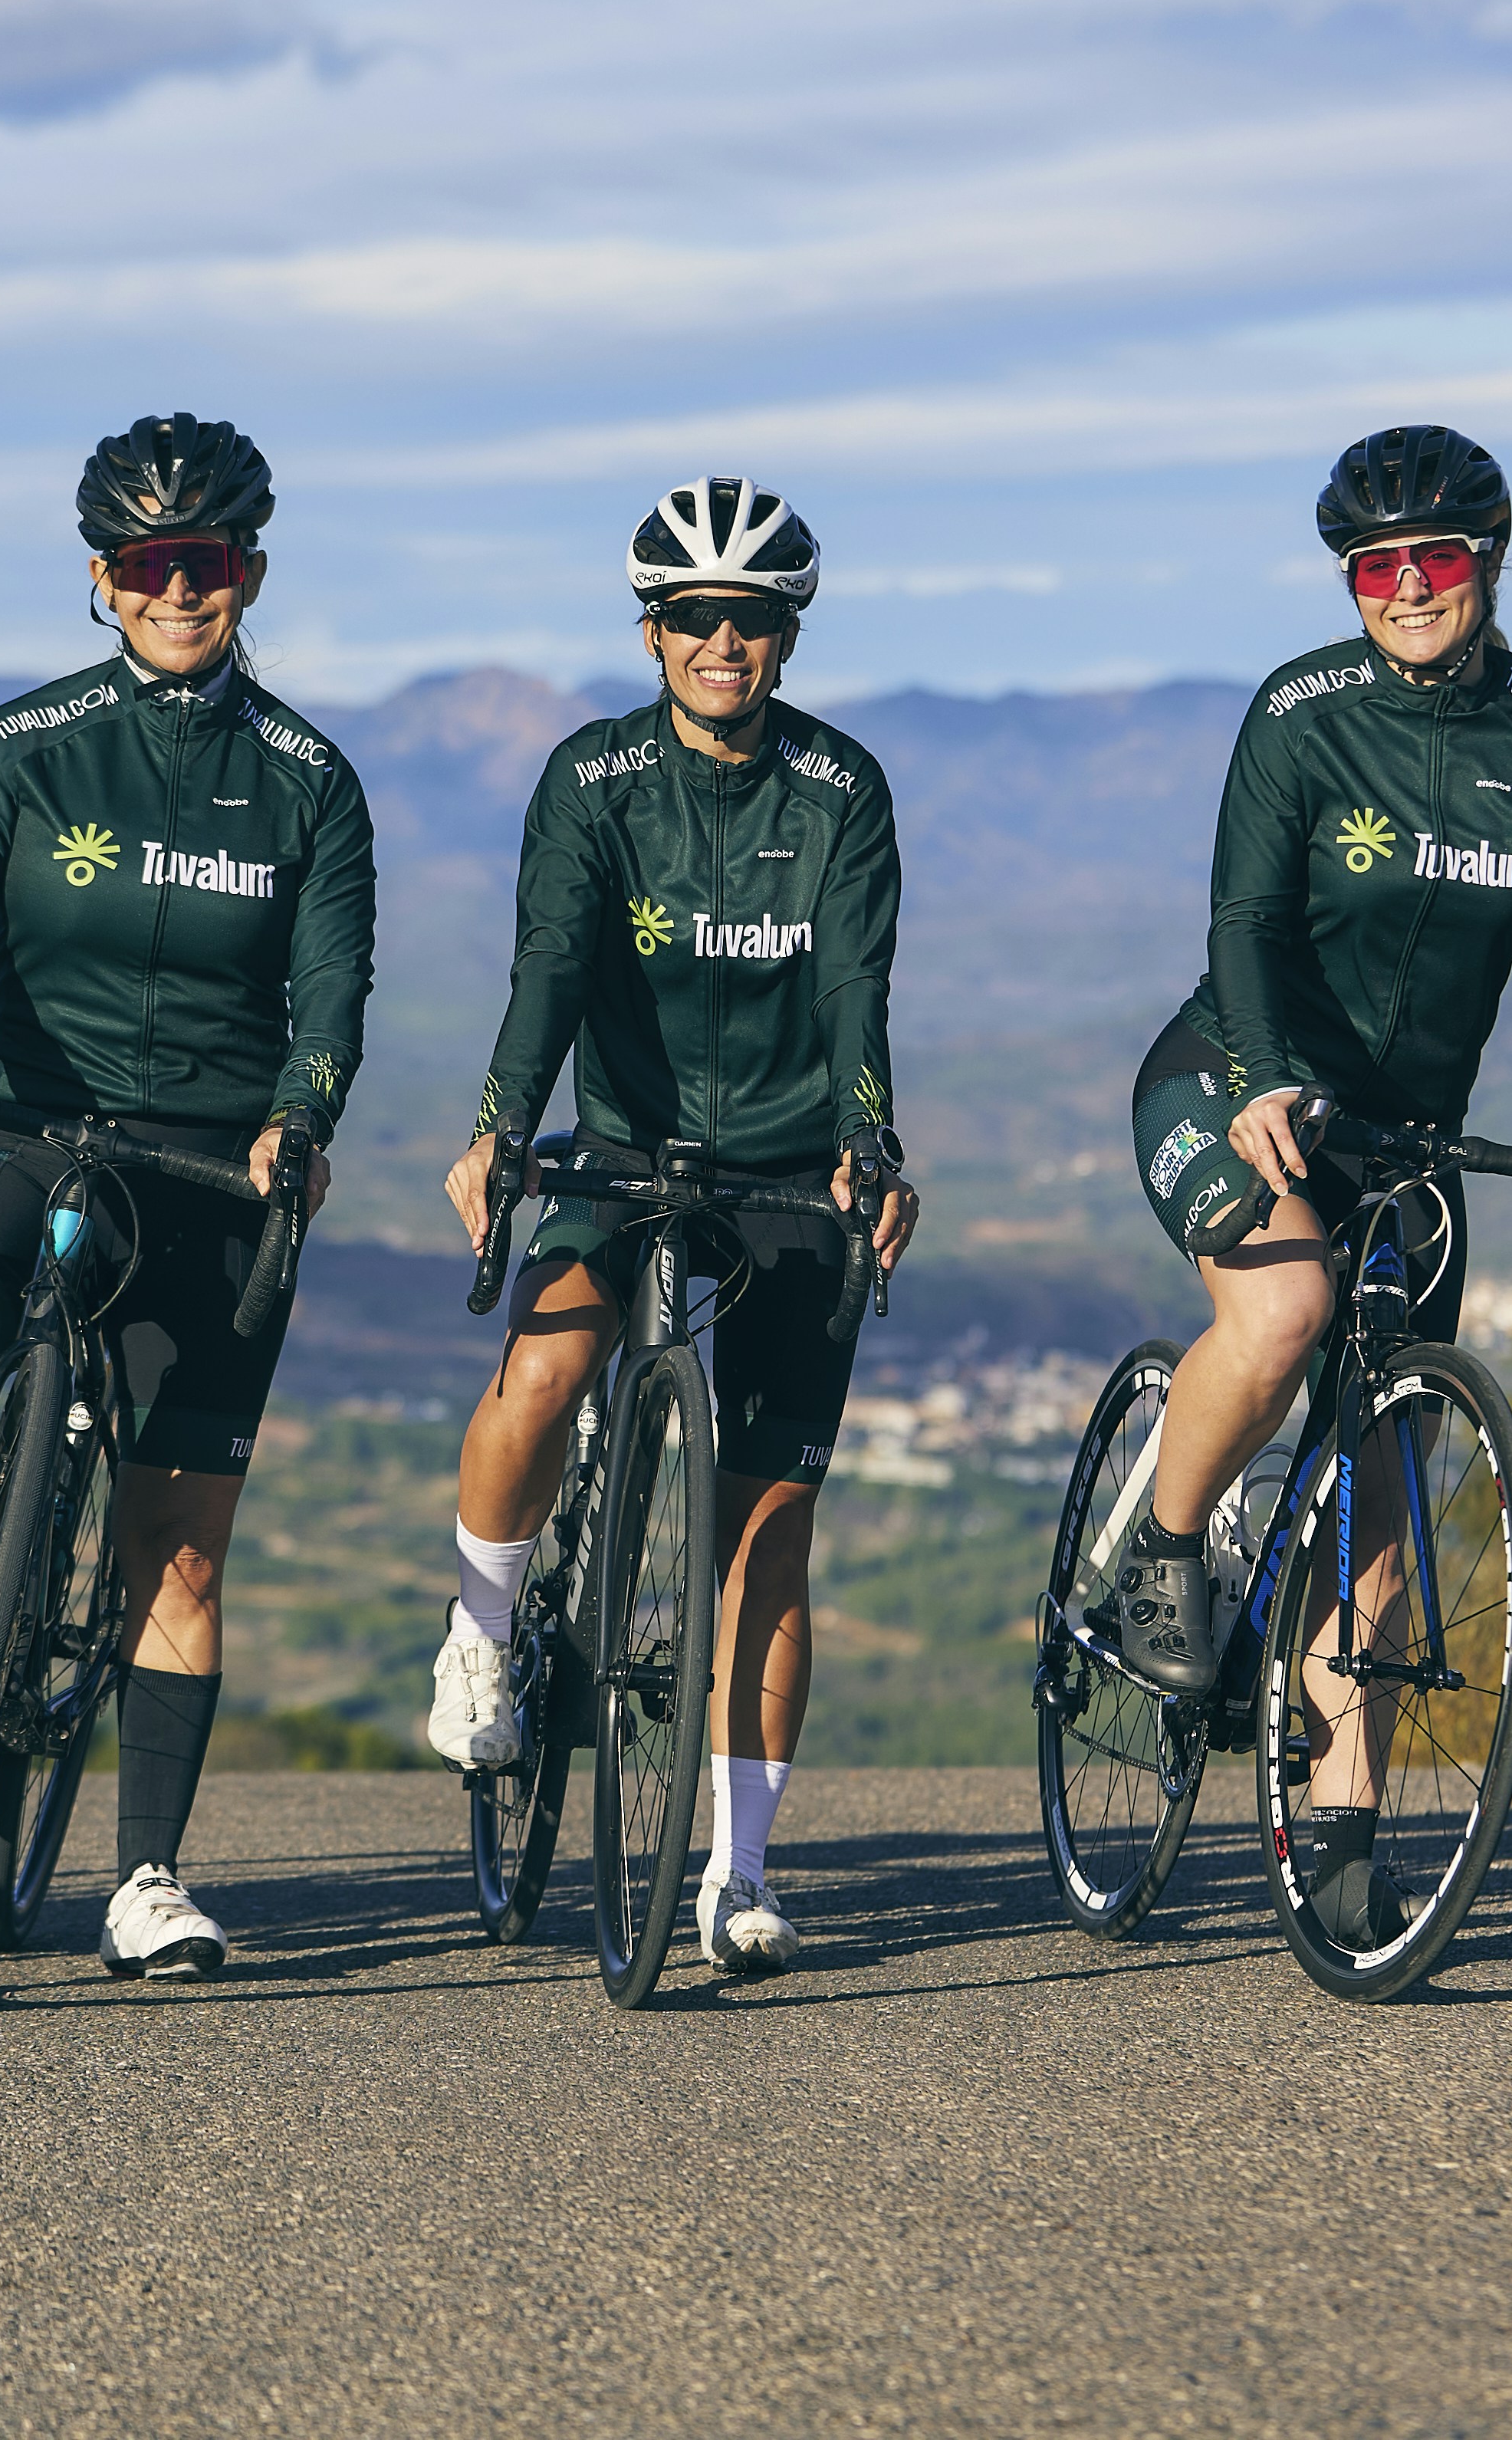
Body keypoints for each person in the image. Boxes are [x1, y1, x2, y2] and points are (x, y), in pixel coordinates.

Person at [0, 413, 376, 1980]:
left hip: (208, 1180)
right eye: (146, 564)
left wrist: (302, 1115)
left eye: (203, 562)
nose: (176, 590)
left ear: (249, 573)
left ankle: (147, 1875)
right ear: (102, 579)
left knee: (178, 1553)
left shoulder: (309, 782)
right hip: (31, 1137)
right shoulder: (25, 743)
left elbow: (332, 991)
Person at [1107, 423, 1512, 1946]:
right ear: (1351, 582)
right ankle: (1165, 1546)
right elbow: (1244, 917)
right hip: (1234, 1075)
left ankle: (1339, 1816)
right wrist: (1273, 1073)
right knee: (1285, 1308)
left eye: (1439, 562)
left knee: (1394, 1492)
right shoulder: (1299, 714)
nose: (1408, 590)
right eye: (1377, 569)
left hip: (1407, 1142)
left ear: (1489, 563)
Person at [426, 475, 917, 1978]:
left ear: (786, 635)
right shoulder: (590, 782)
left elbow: (854, 993)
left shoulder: (841, 792)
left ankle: (743, 1872)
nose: (727, 642)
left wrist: (871, 1137)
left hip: (784, 1173)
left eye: (755, 618)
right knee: (544, 1369)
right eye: (698, 616)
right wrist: (503, 1123)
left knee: (769, 1531)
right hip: (625, 1150)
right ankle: (484, 1634)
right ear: (653, 634)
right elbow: (553, 965)